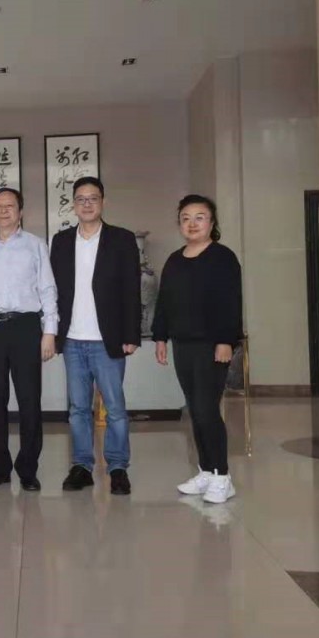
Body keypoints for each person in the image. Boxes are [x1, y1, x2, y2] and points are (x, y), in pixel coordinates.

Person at [50, 176, 141, 496]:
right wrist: (52, 333)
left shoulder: (121, 239)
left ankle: (117, 467)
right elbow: (53, 291)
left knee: (115, 408)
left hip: (108, 339)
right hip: (73, 339)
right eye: (81, 199)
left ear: (103, 202)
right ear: (73, 205)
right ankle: (82, 466)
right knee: (77, 408)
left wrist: (131, 334)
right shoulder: (61, 241)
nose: (87, 204)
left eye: (93, 198)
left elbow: (131, 289)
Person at [152, 194, 244, 505]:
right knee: (195, 409)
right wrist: (161, 337)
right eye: (186, 218)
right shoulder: (175, 260)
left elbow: (230, 302)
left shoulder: (222, 258)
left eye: (199, 217)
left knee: (207, 409)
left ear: (212, 222)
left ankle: (222, 476)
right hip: (183, 344)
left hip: (212, 345)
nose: (192, 223)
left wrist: (225, 340)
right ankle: (206, 470)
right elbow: (164, 302)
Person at [0, 187, 58, 491]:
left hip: (26, 327)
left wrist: (50, 331)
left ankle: (28, 469)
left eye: (10, 206)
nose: (4, 210)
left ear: (20, 212)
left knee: (29, 400)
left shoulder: (35, 245)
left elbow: (47, 289)